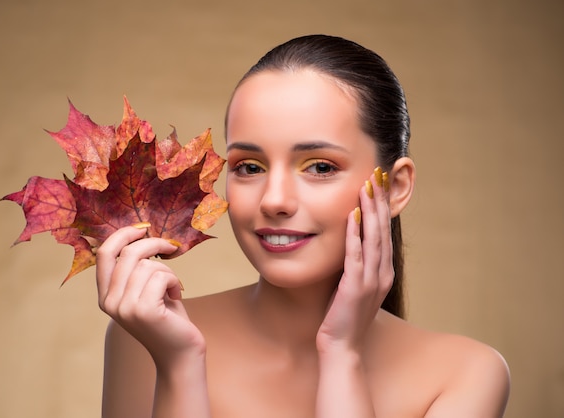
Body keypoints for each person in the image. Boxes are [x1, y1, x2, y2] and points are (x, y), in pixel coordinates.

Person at [95, 34, 510, 417]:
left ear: (395, 187)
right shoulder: (147, 337)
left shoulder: (465, 374)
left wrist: (341, 354)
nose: (274, 200)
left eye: (320, 167)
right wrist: (180, 366)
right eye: (250, 167)